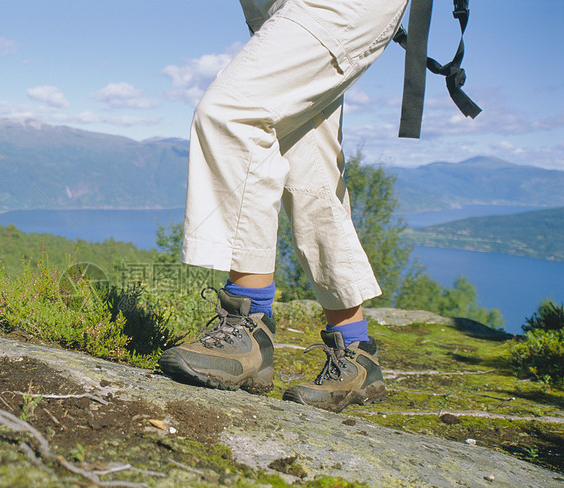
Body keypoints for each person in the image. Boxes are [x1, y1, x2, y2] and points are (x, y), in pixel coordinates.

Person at [159, 0, 410, 412]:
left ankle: (250, 324)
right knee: (308, 170)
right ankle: (356, 349)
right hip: (278, 8)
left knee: (230, 114)